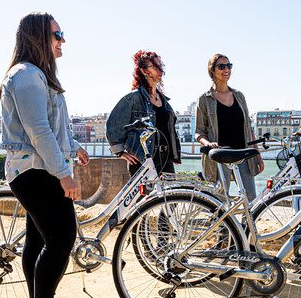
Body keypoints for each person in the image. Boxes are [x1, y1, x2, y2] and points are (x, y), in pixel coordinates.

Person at [0, 12, 90, 298]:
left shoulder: (38, 76)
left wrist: (74, 145)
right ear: (39, 37)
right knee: (61, 237)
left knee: (38, 240)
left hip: (39, 169)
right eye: (57, 34)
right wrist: (65, 174)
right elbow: (38, 131)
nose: (62, 40)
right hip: (36, 171)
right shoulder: (26, 76)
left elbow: (52, 127)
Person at [195, 54, 264, 200]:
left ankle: (247, 224)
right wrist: (209, 144)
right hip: (220, 156)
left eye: (229, 66)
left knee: (251, 199)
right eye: (221, 66)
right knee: (220, 202)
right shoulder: (204, 99)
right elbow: (199, 132)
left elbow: (249, 129)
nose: (226, 69)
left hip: (243, 154)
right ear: (212, 70)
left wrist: (257, 155)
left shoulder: (239, 96)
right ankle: (220, 223)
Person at [106, 50, 181, 177]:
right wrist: (120, 152)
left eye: (160, 66)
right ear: (144, 71)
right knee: (147, 197)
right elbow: (113, 126)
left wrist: (175, 154)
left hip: (166, 159)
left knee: (169, 197)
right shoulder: (134, 98)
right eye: (154, 67)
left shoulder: (164, 101)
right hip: (143, 160)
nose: (160, 70)